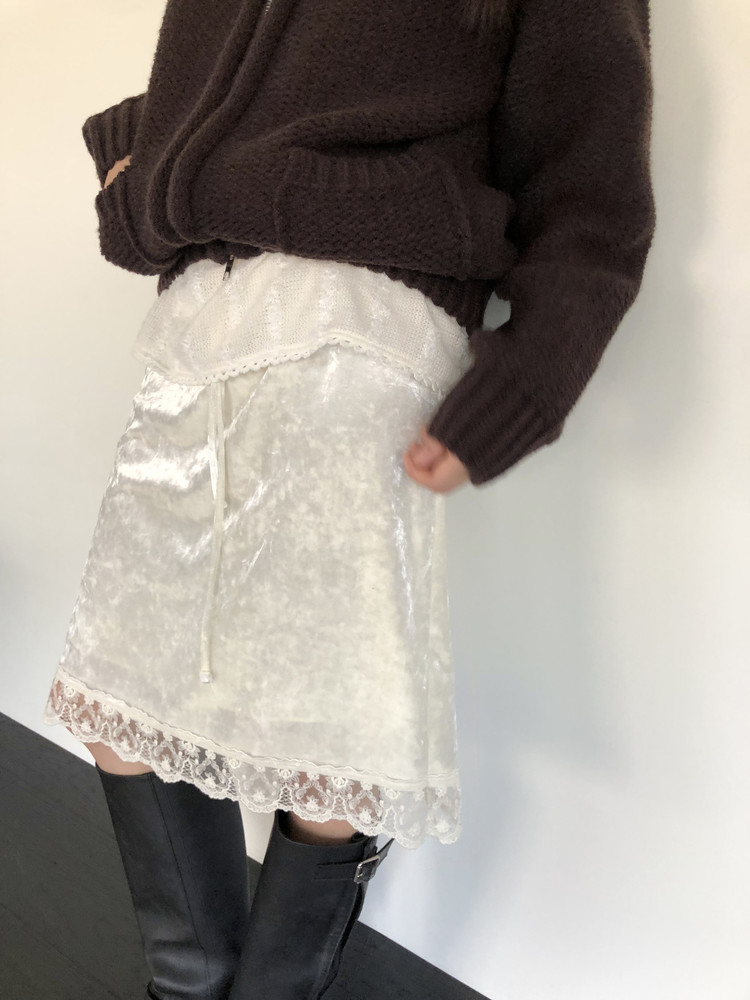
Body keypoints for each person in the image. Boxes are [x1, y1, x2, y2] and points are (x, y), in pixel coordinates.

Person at [42, 0, 656, 998]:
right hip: (199, 322)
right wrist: (136, 170)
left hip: (362, 326)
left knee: (329, 722)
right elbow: (238, 98)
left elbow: (592, 182)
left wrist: (529, 380)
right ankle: (189, 983)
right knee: (120, 691)